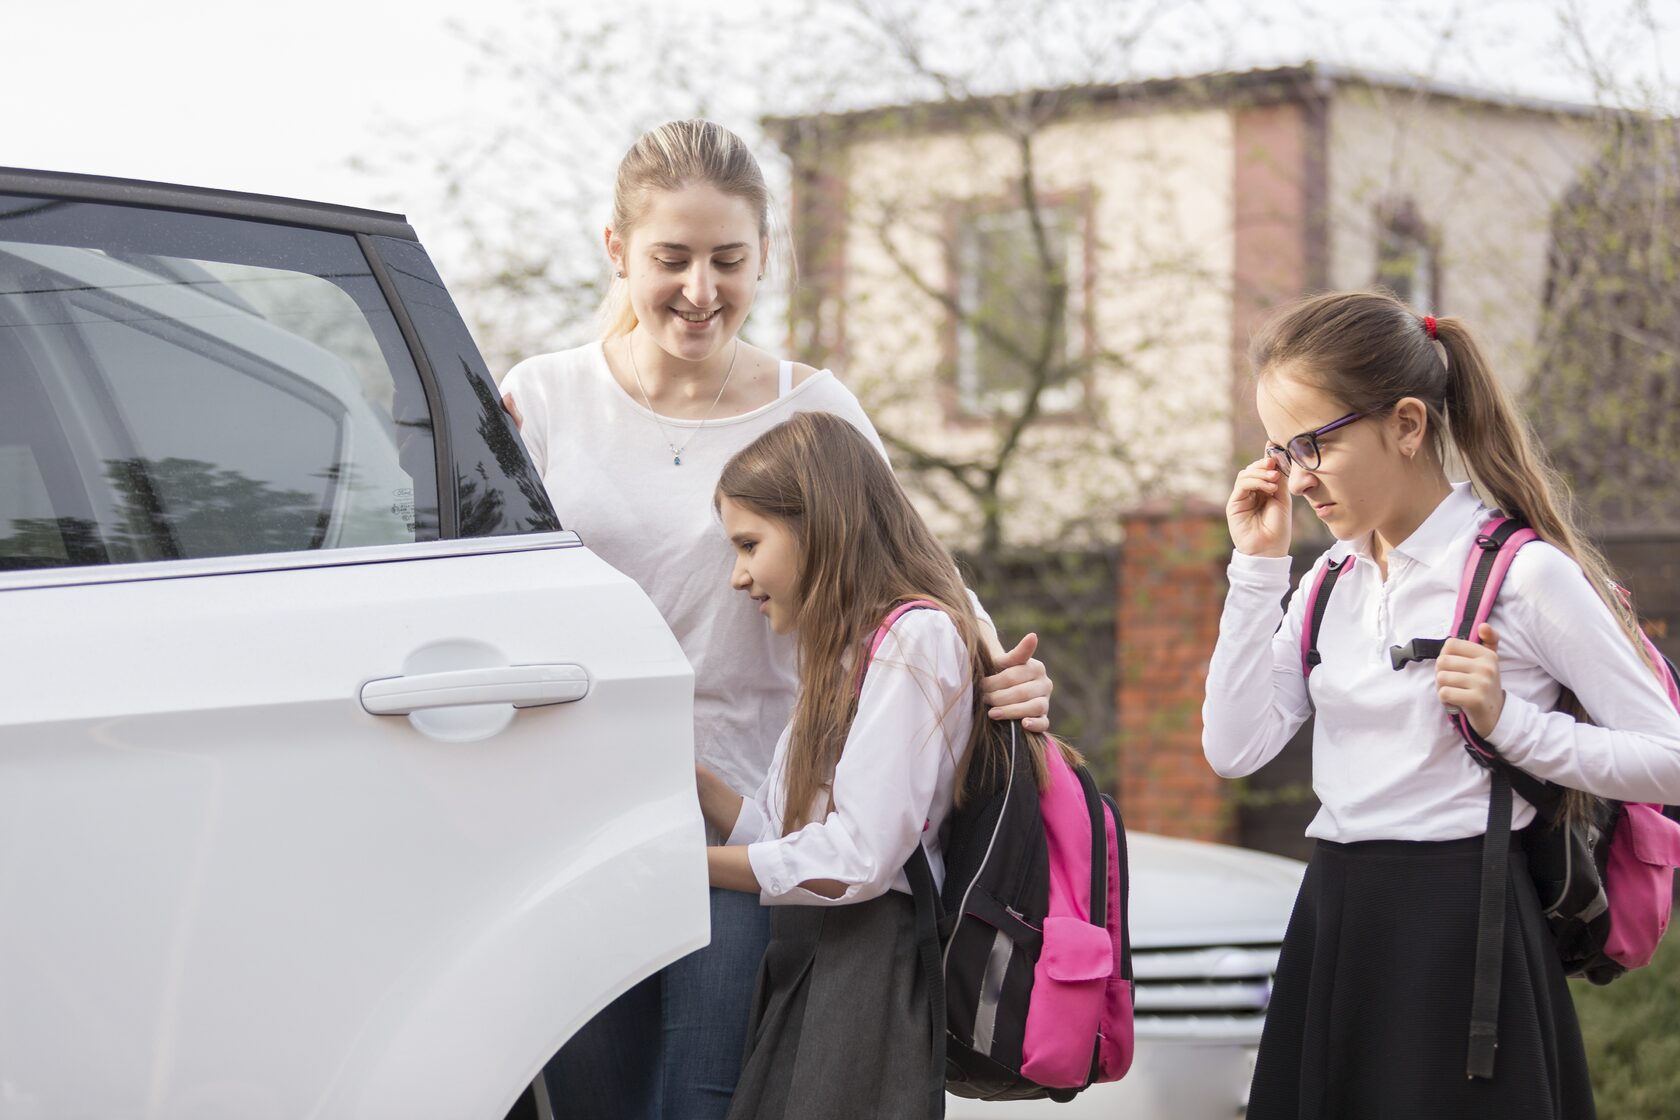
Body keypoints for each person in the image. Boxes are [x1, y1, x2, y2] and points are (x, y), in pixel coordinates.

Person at [499, 119, 1053, 1120]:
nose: (702, 289)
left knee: (704, 1101)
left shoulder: (812, 406)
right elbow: (488, 584)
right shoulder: (542, 399)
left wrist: (999, 666)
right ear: (619, 250)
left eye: (730, 260)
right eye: (673, 258)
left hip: (754, 815)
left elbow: (915, 564)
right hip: (578, 812)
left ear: (767, 260)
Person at [1202, 289, 1680, 1119]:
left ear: (1409, 424)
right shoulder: (1327, 583)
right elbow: (1233, 749)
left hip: (1467, 932)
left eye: (1313, 443)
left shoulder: (1523, 575)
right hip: (1337, 922)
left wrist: (1512, 726)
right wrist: (1255, 571)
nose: (1297, 476)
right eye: (1279, 450)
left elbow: (1668, 756)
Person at [698, 410, 1064, 1120]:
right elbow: (784, 839)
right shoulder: (843, 655)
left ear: (819, 524)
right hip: (817, 955)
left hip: (868, 967)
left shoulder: (914, 638)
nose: (740, 577)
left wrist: (685, 863)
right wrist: (699, 791)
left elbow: (858, 859)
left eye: (749, 544)